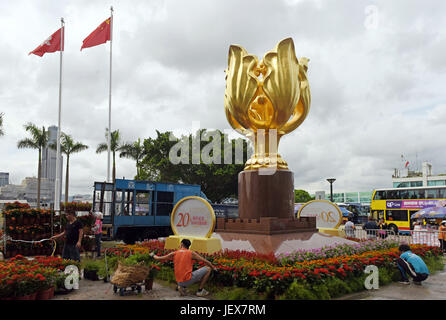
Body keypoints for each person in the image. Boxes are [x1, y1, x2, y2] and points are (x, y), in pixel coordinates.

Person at [153, 239, 217, 297]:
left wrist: (152, 255)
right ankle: (200, 291)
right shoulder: (191, 253)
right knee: (208, 269)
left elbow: (159, 258)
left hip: (178, 281)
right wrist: (214, 268)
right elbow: (206, 261)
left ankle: (182, 287)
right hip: (188, 279)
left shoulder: (174, 253)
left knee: (187, 272)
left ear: (181, 244)